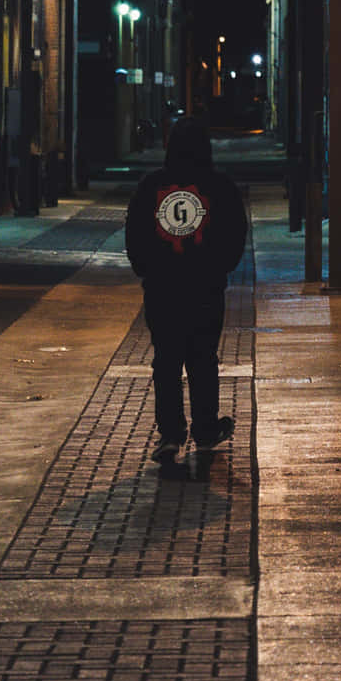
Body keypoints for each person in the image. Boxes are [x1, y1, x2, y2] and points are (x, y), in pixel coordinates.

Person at [125, 114, 248, 469]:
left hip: (162, 289)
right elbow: (235, 234)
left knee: (166, 361)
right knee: (202, 359)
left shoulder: (152, 186)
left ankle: (171, 433)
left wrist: (147, 270)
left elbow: (135, 232)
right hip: (205, 288)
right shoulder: (220, 187)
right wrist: (218, 268)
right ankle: (206, 427)